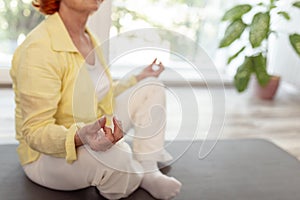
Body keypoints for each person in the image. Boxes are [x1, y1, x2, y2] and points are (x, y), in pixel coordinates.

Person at [10, 0, 182, 199]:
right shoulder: (38, 49)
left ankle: (147, 167)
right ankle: (135, 175)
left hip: (92, 126)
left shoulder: (89, 38)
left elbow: (99, 94)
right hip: (46, 156)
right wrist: (80, 136)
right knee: (116, 157)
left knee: (151, 86)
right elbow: (35, 131)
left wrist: (138, 79)